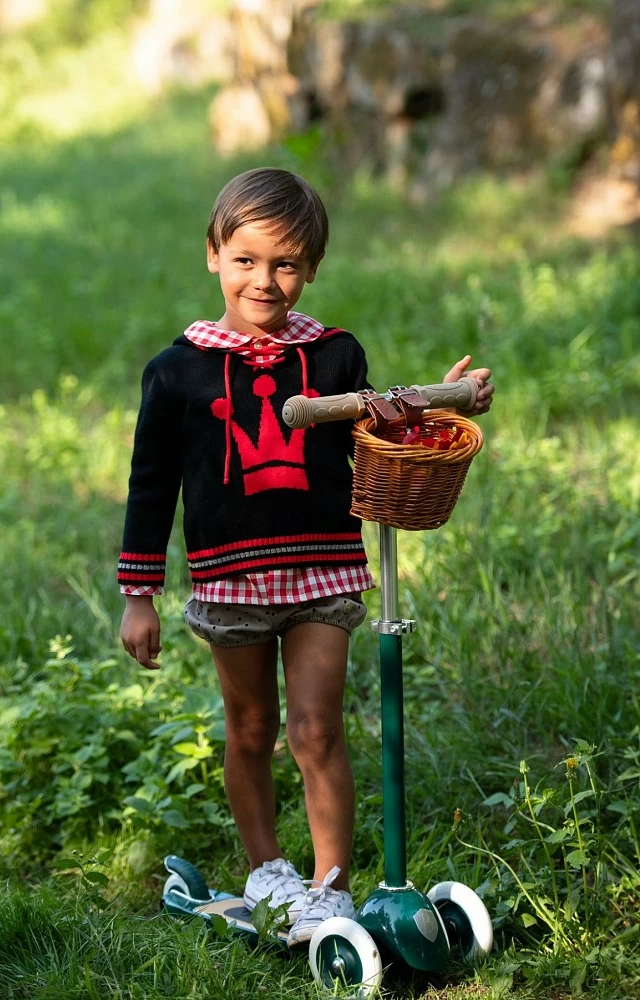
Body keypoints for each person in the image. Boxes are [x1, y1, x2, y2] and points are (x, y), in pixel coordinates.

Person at [119, 167, 494, 945]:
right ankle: (268, 871)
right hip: (232, 579)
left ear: (311, 269)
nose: (266, 280)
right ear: (214, 255)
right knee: (250, 728)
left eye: (286, 263)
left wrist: (432, 404)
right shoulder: (177, 371)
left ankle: (331, 890)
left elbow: (370, 435)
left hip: (324, 567)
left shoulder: (334, 355)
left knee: (317, 729)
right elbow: (150, 485)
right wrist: (139, 593)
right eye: (248, 259)